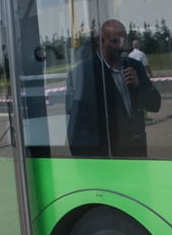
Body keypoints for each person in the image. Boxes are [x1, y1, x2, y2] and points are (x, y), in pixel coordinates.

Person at [65, 19, 161, 157]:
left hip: (136, 154)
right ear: (100, 41)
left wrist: (138, 85)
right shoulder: (84, 74)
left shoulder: (135, 67)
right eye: (115, 41)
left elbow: (155, 105)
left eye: (124, 41)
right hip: (105, 158)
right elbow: (76, 131)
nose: (121, 46)